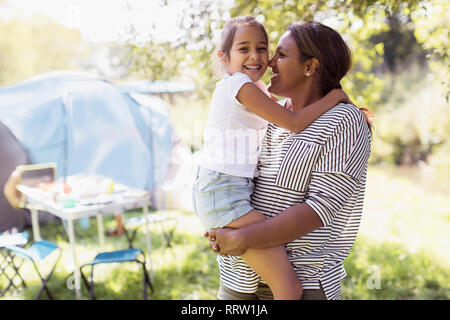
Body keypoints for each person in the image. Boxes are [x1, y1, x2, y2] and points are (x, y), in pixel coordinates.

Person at [206, 21, 373, 300]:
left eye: (280, 55)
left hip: (303, 282)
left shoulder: (344, 121)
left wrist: (243, 237)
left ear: (310, 66)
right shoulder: (271, 114)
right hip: (239, 278)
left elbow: (319, 210)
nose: (269, 62)